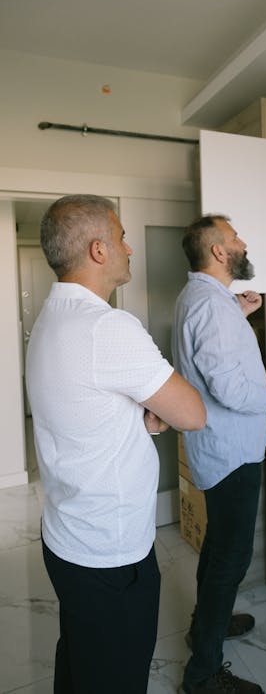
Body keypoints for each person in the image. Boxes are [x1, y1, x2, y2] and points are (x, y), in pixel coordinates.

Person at [25, 194, 206, 694]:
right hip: (110, 552)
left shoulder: (51, 317)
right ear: (99, 250)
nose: (131, 247)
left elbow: (76, 417)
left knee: (81, 660)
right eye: (123, 236)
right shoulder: (108, 326)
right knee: (116, 678)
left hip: (67, 536)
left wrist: (139, 425)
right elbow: (192, 413)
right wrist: (163, 411)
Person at [172, 214, 266, 694]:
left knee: (219, 546)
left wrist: (240, 314)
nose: (242, 243)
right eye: (235, 237)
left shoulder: (205, 299)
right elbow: (231, 389)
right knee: (229, 560)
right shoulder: (212, 307)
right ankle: (203, 674)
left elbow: (212, 353)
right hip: (232, 451)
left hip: (219, 448)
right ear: (219, 251)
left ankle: (204, 626)